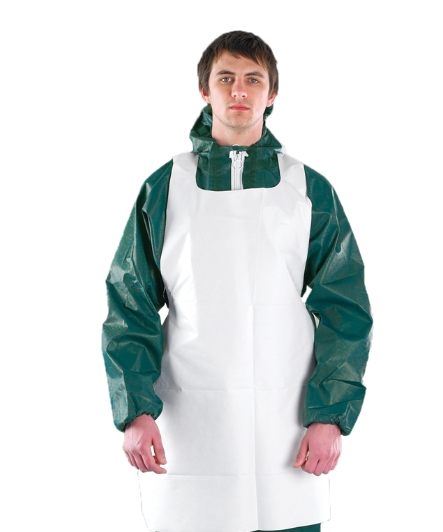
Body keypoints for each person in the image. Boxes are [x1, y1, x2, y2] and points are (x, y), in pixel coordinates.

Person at [101, 30, 373, 532]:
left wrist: (330, 414)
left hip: (288, 422)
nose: (239, 90)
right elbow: (129, 303)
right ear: (204, 90)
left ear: (273, 94)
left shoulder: (307, 190)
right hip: (189, 418)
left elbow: (345, 308)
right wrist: (135, 410)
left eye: (253, 79)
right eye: (225, 78)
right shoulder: (166, 188)